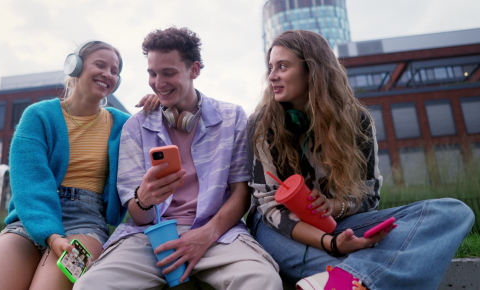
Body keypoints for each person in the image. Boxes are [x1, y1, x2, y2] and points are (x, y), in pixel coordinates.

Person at [246, 29, 475, 290]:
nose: (272, 75)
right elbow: (269, 207)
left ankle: (347, 277)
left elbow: (369, 196)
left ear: (312, 70)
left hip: (340, 223)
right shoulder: (262, 125)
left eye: (283, 66)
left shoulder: (358, 122)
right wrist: (330, 243)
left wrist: (334, 207)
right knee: (347, 275)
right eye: (271, 67)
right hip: (279, 229)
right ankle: (352, 277)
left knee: (454, 212)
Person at [74, 27, 282, 289]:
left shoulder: (232, 118)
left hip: (218, 235)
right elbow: (138, 215)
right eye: (152, 73)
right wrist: (144, 198)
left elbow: (241, 194)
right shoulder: (136, 127)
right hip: (149, 237)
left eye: (168, 73)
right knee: (89, 285)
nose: (158, 83)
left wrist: (206, 234)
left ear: (194, 70)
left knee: (263, 280)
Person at [0, 41, 159, 290]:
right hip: (28, 222)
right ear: (75, 66)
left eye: (114, 71)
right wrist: (52, 236)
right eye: (100, 65)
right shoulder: (37, 116)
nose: (108, 74)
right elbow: (29, 184)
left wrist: (160, 106)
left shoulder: (125, 125)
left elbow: (160, 141)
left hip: (87, 226)